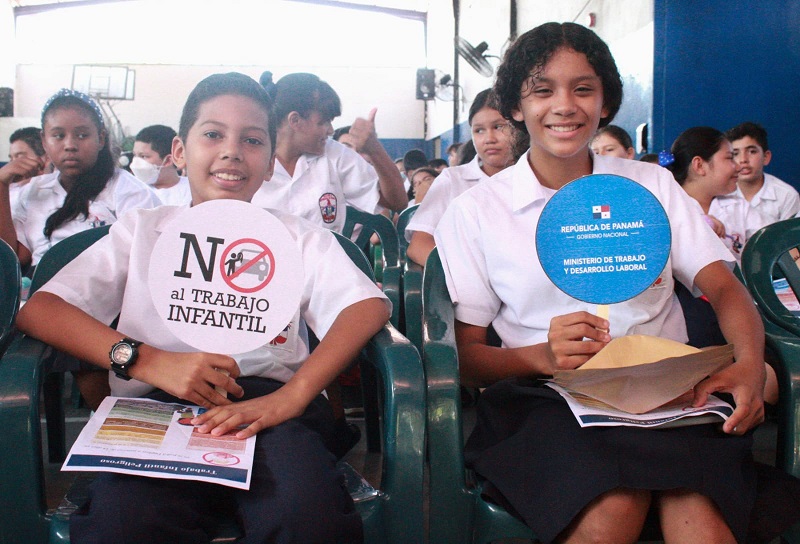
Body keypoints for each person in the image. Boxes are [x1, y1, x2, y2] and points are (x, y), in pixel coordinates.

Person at [434, 22, 787, 544]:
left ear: (606, 101)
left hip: (670, 394)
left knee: (700, 516)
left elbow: (727, 289)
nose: (565, 105)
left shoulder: (649, 187)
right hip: (547, 400)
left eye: (583, 88)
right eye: (542, 90)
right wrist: (539, 357)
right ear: (514, 105)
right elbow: (467, 358)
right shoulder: (478, 212)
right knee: (612, 505)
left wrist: (749, 366)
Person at [17, 72, 389, 543]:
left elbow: (365, 308)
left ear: (271, 162)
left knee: (306, 516)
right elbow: (41, 309)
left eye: (252, 140)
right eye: (212, 134)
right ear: (179, 151)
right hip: (154, 410)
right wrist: (148, 361)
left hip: (268, 411)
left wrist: (294, 396)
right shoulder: (141, 231)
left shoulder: (296, 237)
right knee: (123, 524)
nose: (232, 151)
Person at [0, 89, 161, 271]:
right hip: (39, 291)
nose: (70, 145)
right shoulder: (34, 191)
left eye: (82, 135)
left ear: (100, 139)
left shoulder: (130, 192)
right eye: (58, 136)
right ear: (44, 141)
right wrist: (1, 185)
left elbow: (142, 266)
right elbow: (14, 258)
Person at [251, 71, 407, 230]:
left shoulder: (334, 155)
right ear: (295, 121)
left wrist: (375, 150)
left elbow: (396, 202)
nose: (331, 130)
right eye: (323, 122)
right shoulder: (252, 157)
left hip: (325, 255)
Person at [406, 88, 517, 266]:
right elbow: (418, 246)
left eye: (498, 127)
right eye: (479, 130)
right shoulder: (453, 180)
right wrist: (466, 275)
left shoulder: (535, 177)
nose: (489, 138)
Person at [664, 126, 749, 260]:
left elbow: (770, 243)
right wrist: (701, 225)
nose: (738, 167)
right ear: (699, 165)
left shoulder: (740, 207)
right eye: (730, 158)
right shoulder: (666, 209)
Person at [719, 121, 800, 225]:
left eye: (752, 151)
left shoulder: (787, 196)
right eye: (735, 154)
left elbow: (788, 239)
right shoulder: (721, 193)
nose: (743, 159)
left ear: (766, 157)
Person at [132, 124, 192, 205]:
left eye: (143, 156)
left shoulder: (192, 191)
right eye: (135, 155)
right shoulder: (134, 193)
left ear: (168, 160)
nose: (136, 162)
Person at [2, 127, 51, 209]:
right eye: (11, 159)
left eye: (19, 157)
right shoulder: (10, 186)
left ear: (47, 158)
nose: (12, 165)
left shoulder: (42, 192)